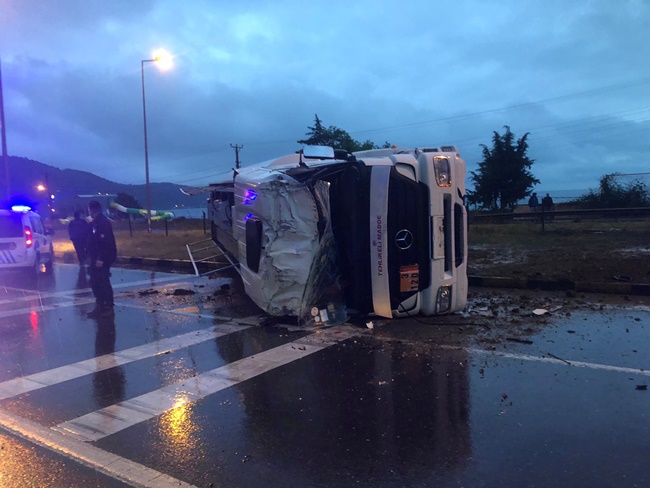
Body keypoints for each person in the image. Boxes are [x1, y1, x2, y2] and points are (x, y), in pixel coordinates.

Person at [87, 201, 117, 318]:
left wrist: (100, 258)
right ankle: (100, 306)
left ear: (93, 210)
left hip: (103, 258)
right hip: (96, 257)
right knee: (95, 282)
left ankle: (107, 306)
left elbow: (105, 242)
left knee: (102, 282)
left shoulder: (102, 222)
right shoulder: (95, 222)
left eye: (90, 209)